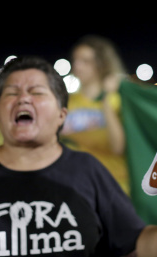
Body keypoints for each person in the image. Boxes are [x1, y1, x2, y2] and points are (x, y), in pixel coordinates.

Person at [0, 56, 157, 257]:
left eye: (36, 92)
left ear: (61, 114)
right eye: (11, 92)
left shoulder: (87, 169)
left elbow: (137, 246)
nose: (23, 98)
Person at [60, 35, 129, 194]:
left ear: (102, 64)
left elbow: (118, 147)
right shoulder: (66, 102)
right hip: (77, 186)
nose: (77, 66)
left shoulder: (116, 101)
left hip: (114, 185)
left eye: (85, 61)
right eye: (75, 60)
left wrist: (106, 98)